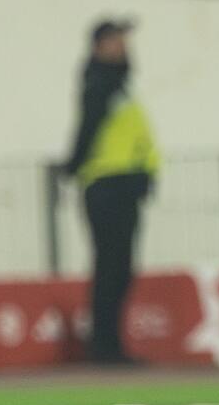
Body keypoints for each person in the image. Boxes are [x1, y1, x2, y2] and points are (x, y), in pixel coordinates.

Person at [60, 20, 158, 365]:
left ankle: (109, 345)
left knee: (118, 268)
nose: (123, 46)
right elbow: (88, 127)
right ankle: (104, 347)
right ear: (99, 45)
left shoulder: (115, 83)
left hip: (120, 185)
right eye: (115, 40)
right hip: (108, 185)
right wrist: (72, 166)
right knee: (112, 269)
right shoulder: (101, 83)